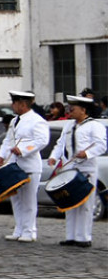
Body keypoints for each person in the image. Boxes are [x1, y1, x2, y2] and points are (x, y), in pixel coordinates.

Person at [0, 90, 48, 242]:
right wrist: (1, 155)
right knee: (16, 199)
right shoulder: (14, 121)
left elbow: (42, 140)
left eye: (14, 103)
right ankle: (19, 228)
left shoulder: (36, 120)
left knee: (28, 200)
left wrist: (24, 150)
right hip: (14, 165)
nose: (12, 106)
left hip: (29, 165)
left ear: (22, 104)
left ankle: (29, 231)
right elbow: (8, 140)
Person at [52, 96, 102, 247]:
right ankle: (71, 236)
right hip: (69, 168)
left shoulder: (94, 126)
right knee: (70, 202)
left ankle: (84, 237)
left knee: (86, 204)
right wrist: (54, 157)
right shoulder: (69, 126)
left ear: (83, 110)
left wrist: (86, 154)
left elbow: (101, 145)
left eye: (73, 108)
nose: (70, 111)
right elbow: (60, 144)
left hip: (86, 168)